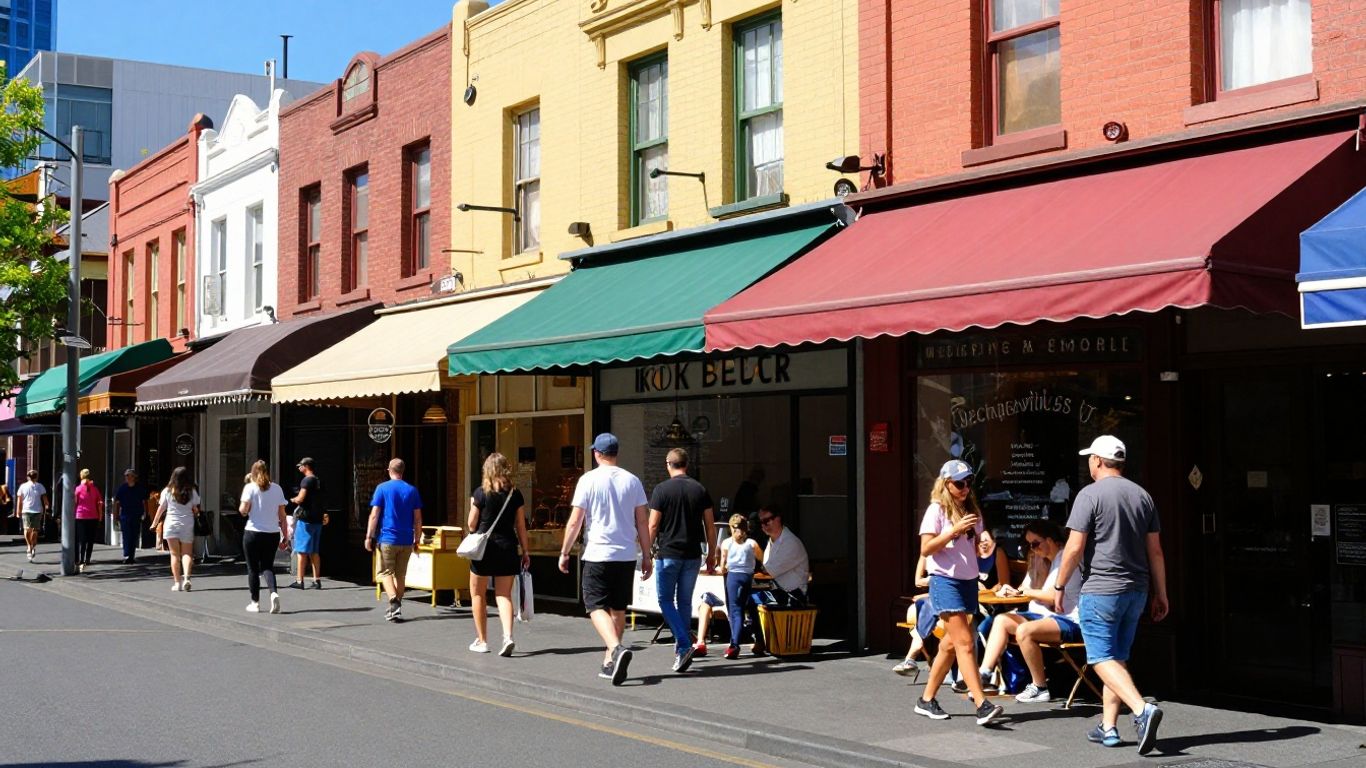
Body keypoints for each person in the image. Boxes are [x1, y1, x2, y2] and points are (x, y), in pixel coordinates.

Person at [1055, 435, 1168, 754]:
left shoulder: (1089, 495)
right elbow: (1156, 552)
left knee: (1101, 657)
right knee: (1116, 658)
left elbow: (1075, 547)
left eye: (1090, 458)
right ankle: (1108, 727)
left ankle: (1140, 710)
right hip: (1137, 590)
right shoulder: (1143, 495)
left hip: (1102, 590)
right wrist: (1162, 593)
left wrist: (1060, 586)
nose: (1088, 462)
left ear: (1098, 461)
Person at [913, 459, 1004, 726]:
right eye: (959, 483)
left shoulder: (972, 510)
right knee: (965, 642)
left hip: (967, 581)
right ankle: (981, 704)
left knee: (951, 644)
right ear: (946, 484)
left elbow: (973, 549)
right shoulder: (936, 510)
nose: (965, 488)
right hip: (945, 581)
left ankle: (926, 699)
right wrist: (953, 530)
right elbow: (926, 549)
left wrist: (982, 545)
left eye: (968, 483)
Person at [558, 433, 652, 686]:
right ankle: (610, 661)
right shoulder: (632, 481)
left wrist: (565, 551)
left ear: (597, 454)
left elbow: (576, 520)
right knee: (618, 608)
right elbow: (642, 521)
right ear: (616, 453)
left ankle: (616, 649)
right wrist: (647, 555)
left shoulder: (588, 480)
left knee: (595, 606)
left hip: (598, 553)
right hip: (625, 554)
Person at [975, 520, 1082, 703]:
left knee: (1024, 631)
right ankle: (985, 673)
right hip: (1048, 616)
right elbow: (1033, 590)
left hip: (1069, 620)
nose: (1032, 549)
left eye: (1035, 543)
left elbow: (1053, 596)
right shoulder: (1047, 560)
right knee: (1001, 620)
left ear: (1049, 540)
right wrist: (1017, 591)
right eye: (1028, 545)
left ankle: (1040, 687)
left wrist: (1026, 592)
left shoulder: (1066, 560)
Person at [647, 447, 718, 673]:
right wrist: (712, 555)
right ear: (687, 465)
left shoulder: (661, 490)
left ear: (669, 464)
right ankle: (682, 650)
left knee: (665, 601)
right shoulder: (700, 489)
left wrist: (647, 551)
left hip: (668, 553)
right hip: (692, 554)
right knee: (684, 602)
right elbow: (710, 526)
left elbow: (653, 524)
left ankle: (685, 644)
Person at [467, 452, 530, 656]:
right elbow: (521, 525)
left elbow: (471, 524)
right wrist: (525, 550)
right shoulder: (515, 494)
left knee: (478, 593)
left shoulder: (480, 493)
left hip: (484, 549)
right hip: (507, 547)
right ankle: (508, 637)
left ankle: (482, 640)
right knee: (504, 595)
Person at [366, 458, 423, 623]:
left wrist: (369, 536)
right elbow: (418, 518)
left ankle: (393, 601)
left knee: (385, 572)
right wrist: (417, 539)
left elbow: (375, 514)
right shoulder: (412, 490)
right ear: (402, 471)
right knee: (401, 575)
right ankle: (395, 609)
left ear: (389, 470)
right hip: (406, 539)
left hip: (388, 538)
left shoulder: (382, 488)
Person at [239, 460, 289, 614]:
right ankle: (273, 593)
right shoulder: (277, 489)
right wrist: (285, 535)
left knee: (252, 568)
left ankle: (255, 602)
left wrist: (247, 508)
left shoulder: (250, 488)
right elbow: (282, 515)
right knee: (268, 566)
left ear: (252, 473)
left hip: (253, 532)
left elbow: (243, 510)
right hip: (272, 533)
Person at [719, 514, 763, 660]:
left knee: (735, 611)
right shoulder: (751, 543)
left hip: (733, 577)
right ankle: (758, 639)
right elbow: (763, 559)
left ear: (731, 527)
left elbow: (723, 567)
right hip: (747, 578)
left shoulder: (726, 543)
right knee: (747, 607)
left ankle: (734, 645)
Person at [150, 467, 201, 591]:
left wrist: (154, 523)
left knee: (174, 555)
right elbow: (196, 508)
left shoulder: (167, 491)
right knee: (187, 553)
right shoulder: (192, 491)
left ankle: (177, 583)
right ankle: (187, 578)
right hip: (187, 524)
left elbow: (161, 509)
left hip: (171, 524)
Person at [892, 554, 933, 679]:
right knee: (913, 609)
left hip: (953, 595)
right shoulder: (926, 554)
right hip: (936, 593)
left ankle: (911, 657)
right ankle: (913, 654)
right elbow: (918, 581)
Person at [289, 457, 324, 590]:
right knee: (314, 551)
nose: (299, 468)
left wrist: (293, 499)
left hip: (306, 519)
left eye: (301, 466)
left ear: (306, 466)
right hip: (317, 519)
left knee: (301, 551)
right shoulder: (318, 480)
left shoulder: (307, 480)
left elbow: (301, 498)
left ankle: (300, 580)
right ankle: (317, 580)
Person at [113, 469, 149, 564]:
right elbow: (117, 502)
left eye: (129, 476)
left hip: (136, 515)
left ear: (134, 477)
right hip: (125, 515)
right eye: (126, 476)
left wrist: (145, 513)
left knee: (134, 536)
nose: (127, 478)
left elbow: (144, 501)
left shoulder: (140, 488)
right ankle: (127, 554)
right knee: (126, 535)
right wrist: (116, 515)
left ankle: (131, 556)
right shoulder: (122, 488)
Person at [73, 469, 104, 572]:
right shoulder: (95, 489)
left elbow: (75, 503)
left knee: (81, 539)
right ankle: (87, 558)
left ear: (81, 477)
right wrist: (100, 516)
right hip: (93, 516)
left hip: (80, 516)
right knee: (90, 539)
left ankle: (80, 560)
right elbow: (99, 503)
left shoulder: (77, 489)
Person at [14, 469, 49, 562]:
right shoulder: (23, 486)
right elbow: (19, 500)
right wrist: (18, 511)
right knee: (27, 529)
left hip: (37, 511)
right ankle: (29, 546)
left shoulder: (40, 486)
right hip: (26, 510)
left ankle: (32, 546)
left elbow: (45, 498)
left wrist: (47, 505)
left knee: (34, 531)